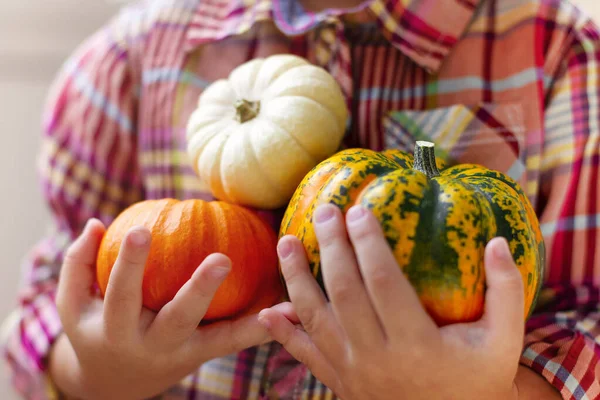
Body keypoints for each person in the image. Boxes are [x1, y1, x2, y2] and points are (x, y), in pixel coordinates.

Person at [2, 0, 599, 398]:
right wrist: (100, 371)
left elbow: (589, 316)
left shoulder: (561, 56)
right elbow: (45, 310)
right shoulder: (124, 66)